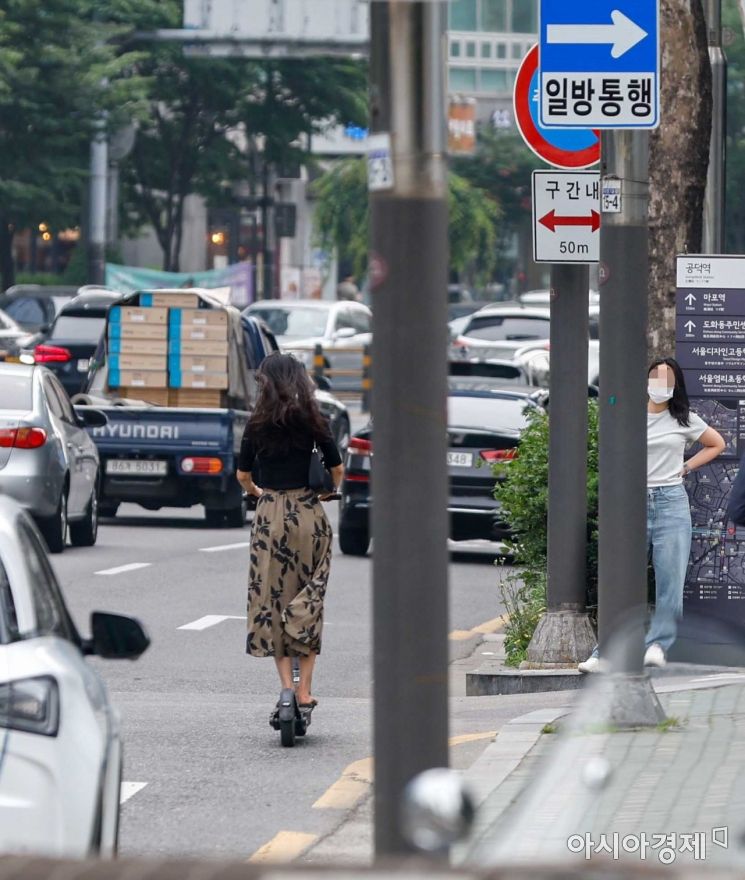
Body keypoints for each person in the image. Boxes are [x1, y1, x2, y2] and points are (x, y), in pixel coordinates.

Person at [579, 357, 725, 673]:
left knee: (670, 582)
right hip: (633, 504)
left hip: (671, 502)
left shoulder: (684, 419)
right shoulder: (631, 416)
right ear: (646, 381)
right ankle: (604, 651)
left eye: (668, 379)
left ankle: (658, 644)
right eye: (656, 377)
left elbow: (717, 443)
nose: (660, 384)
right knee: (621, 580)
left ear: (675, 386)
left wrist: (687, 466)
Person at [236, 353, 344, 707]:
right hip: (308, 513)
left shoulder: (256, 425)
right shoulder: (315, 420)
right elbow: (337, 469)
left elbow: (243, 476)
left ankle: (286, 687)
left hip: (270, 518)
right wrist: (326, 492)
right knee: (309, 597)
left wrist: (257, 493)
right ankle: (305, 691)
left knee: (272, 600)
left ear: (264, 384)